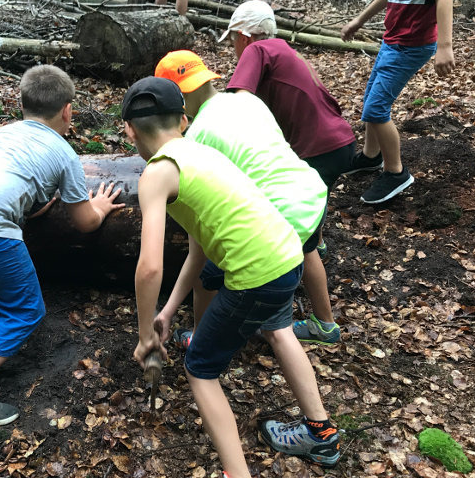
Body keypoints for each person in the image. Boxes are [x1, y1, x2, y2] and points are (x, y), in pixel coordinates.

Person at [124, 76, 339, 476]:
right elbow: (200, 250)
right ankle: (320, 432)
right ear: (183, 121)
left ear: (129, 129)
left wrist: (144, 335)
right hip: (287, 255)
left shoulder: (156, 173)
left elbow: (150, 266)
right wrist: (168, 312)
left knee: (200, 368)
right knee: (276, 326)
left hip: (255, 274)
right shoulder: (200, 153)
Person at [0, 65, 124, 425]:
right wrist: (102, 206)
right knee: (27, 309)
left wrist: (33, 203)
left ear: (22, 105)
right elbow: (85, 222)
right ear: (68, 111)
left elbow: (9, 179)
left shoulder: (3, 134)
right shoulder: (63, 152)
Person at [154, 50, 340, 345]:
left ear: (178, 99)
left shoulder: (197, 134)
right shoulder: (248, 99)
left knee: (207, 274)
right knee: (306, 246)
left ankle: (202, 336)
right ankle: (326, 325)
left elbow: (208, 199)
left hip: (278, 214)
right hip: (310, 192)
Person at [221, 0, 358, 342]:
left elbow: (236, 100)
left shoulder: (258, 51)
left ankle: (324, 324)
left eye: (233, 41)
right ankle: (318, 242)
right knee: (310, 207)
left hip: (319, 149)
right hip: (340, 141)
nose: (235, 50)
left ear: (244, 36)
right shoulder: (284, 50)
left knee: (302, 244)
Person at [341, 0, 455, 204]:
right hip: (391, 42)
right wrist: (358, 21)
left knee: (376, 109)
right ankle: (370, 156)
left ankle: (396, 173)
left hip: (411, 46)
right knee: (371, 102)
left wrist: (445, 46)